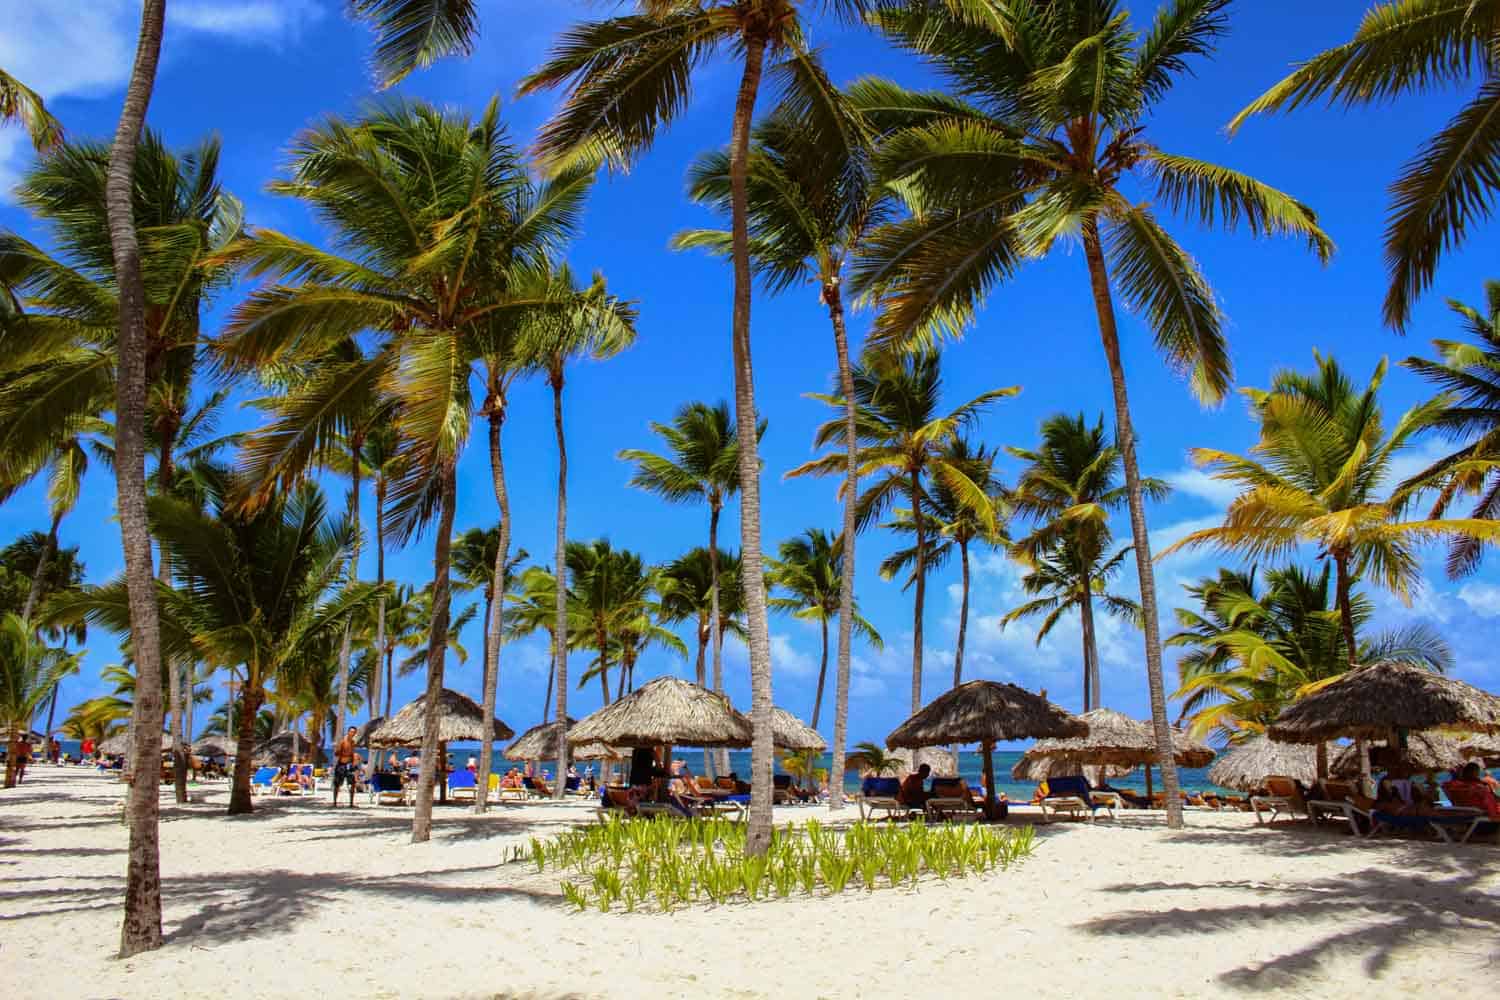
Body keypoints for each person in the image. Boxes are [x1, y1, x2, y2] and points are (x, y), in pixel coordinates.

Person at [332, 726, 360, 807]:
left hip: (349, 765)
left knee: (353, 783)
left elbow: (352, 753)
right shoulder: (343, 741)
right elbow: (336, 753)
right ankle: (334, 803)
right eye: (351, 732)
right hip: (341, 764)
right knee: (337, 784)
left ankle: (351, 803)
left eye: (354, 732)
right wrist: (344, 754)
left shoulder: (353, 742)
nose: (352, 733)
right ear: (348, 732)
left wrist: (354, 760)